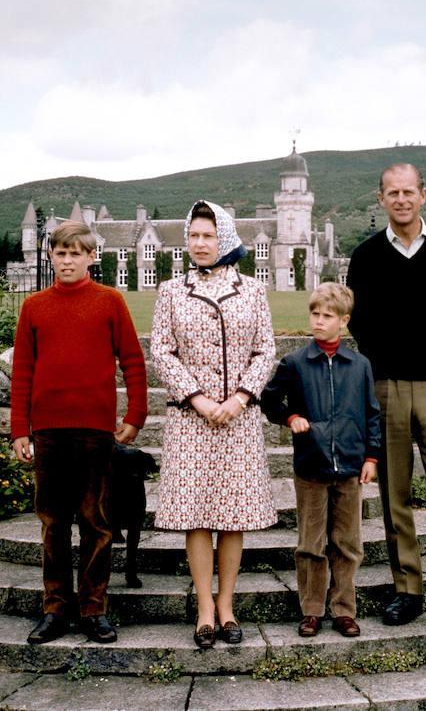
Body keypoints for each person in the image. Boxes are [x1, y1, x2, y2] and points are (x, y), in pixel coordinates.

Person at [346, 163, 426, 635]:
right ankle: (407, 590)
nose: (401, 199)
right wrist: (391, 353)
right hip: (386, 387)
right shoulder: (365, 257)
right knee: (394, 493)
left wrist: (415, 343)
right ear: (380, 198)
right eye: (392, 193)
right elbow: (360, 323)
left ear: (424, 195)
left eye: (409, 192)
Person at [10, 220, 148, 645]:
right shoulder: (34, 306)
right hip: (48, 430)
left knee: (96, 521)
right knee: (53, 522)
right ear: (50, 255)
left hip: (94, 430)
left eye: (76, 253)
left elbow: (133, 361)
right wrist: (20, 430)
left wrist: (136, 415)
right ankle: (55, 608)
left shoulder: (110, 302)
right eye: (60, 253)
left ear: (92, 257)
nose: (67, 260)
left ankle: (93, 609)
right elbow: (22, 372)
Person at [151, 200, 277, 649]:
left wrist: (241, 397)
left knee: (234, 514)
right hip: (191, 420)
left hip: (239, 420)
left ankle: (227, 605)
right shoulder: (171, 291)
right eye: (193, 236)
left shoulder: (253, 291)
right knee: (197, 515)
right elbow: (162, 351)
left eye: (207, 235)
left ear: (224, 238)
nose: (199, 244)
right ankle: (204, 607)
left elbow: (266, 350)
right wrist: (200, 399)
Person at [261, 283, 380, 638]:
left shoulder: (359, 366)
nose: (319, 321)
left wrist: (371, 457)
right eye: (315, 314)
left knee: (347, 544)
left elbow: (372, 414)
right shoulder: (295, 363)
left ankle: (344, 609)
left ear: (343, 322)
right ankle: (311, 610)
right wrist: (290, 417)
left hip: (349, 468)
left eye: (327, 316)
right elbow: (269, 401)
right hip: (311, 468)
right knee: (311, 544)